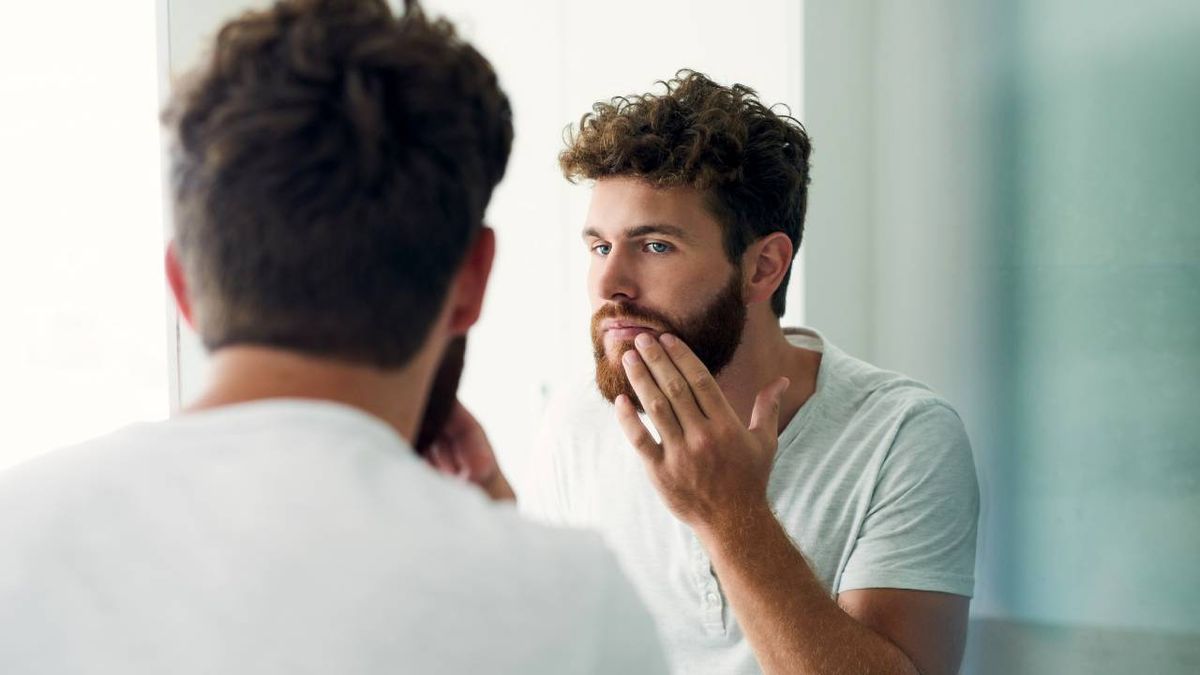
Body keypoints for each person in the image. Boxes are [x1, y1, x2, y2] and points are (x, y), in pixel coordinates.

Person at [0, 2, 667, 673]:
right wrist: (504, 540)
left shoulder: (17, 535)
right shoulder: (574, 604)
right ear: (473, 277)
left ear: (183, 286)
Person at [452, 71, 981, 675]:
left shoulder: (901, 436)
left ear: (762, 268)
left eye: (654, 246)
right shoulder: (582, 416)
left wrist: (730, 516)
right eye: (600, 247)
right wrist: (493, 506)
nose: (608, 284)